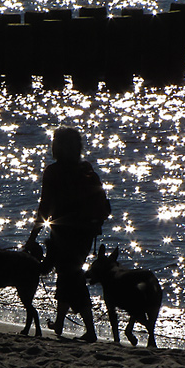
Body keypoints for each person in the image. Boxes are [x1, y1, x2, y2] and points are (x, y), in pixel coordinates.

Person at [26, 126, 111, 343]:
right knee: (68, 276)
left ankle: (90, 330)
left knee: (71, 277)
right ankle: (60, 322)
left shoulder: (53, 172)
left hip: (64, 233)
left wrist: (32, 237)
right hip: (86, 234)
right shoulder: (87, 170)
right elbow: (104, 207)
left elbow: (44, 207)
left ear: (56, 147)